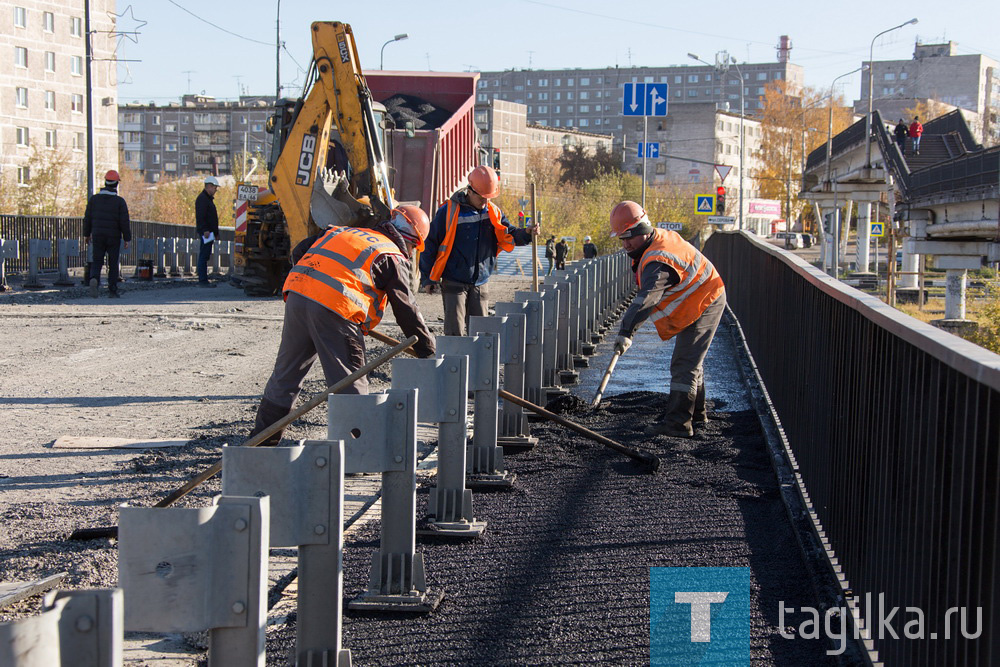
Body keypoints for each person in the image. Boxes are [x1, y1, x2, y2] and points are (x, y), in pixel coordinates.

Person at [249, 206, 436, 445]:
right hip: (336, 308)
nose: (410, 252)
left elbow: (299, 252)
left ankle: (261, 443)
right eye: (413, 248)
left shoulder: (342, 232)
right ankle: (357, 451)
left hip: (298, 295)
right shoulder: (392, 254)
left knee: (286, 375)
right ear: (411, 241)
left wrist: (316, 285)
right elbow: (406, 308)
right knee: (350, 381)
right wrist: (427, 351)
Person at [609, 201, 726, 438]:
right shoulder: (652, 244)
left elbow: (646, 299)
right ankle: (697, 415)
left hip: (706, 300)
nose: (625, 244)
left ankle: (678, 424)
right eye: (621, 239)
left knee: (684, 364)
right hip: (696, 300)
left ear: (642, 229)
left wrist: (626, 333)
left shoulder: (659, 260)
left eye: (628, 237)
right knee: (691, 360)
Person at [419, 165, 538, 336]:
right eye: (482, 197)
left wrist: (527, 233)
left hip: (480, 281)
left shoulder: (493, 212)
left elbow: (509, 234)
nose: (485, 202)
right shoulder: (449, 212)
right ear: (470, 191)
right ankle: (455, 362)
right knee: (455, 333)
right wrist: (428, 278)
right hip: (454, 281)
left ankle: (478, 363)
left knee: (481, 334)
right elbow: (429, 244)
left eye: (488, 198)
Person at [84, 169, 131, 299]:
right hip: (114, 237)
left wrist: (87, 234)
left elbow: (87, 218)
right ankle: (112, 290)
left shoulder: (94, 199)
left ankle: (94, 279)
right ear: (116, 184)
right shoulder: (120, 202)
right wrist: (127, 238)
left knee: (97, 260)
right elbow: (124, 221)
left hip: (97, 235)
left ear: (105, 182)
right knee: (113, 262)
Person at [195, 175, 221, 287]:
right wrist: (205, 230)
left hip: (209, 233)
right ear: (209, 186)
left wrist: (216, 233)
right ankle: (202, 280)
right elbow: (201, 216)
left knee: (205, 255)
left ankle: (203, 279)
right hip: (206, 233)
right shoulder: (202, 199)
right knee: (203, 256)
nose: (216, 190)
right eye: (215, 188)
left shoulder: (206, 199)